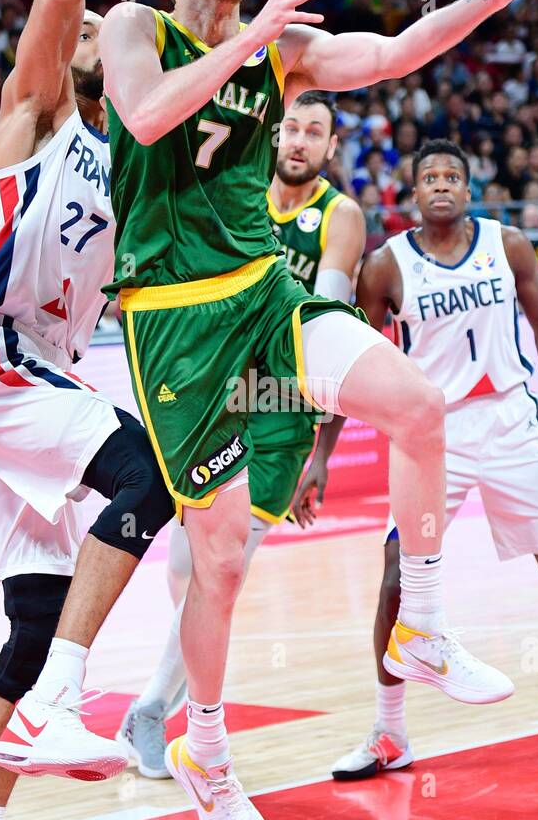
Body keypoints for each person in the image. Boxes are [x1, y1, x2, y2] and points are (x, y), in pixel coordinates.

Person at [21, 0, 538, 820]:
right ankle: (206, 750)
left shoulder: (285, 48)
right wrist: (255, 39)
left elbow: (393, 52)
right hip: (175, 323)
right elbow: (143, 118)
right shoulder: (141, 26)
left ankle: (421, 624)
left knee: (418, 406)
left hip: (266, 292)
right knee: (218, 560)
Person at [0, 0, 297, 820]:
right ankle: (70, 692)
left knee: (30, 629)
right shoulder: (36, 116)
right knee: (146, 478)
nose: (96, 23)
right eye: (90, 23)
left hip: (38, 386)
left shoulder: (142, 151)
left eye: (104, 24)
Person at [298, 141, 538, 779]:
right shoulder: (385, 266)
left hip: (511, 424)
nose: (441, 184)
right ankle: (389, 731)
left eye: (452, 176)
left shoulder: (509, 244)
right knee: (395, 580)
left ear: (469, 189)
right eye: (429, 177)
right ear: (412, 194)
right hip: (433, 433)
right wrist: (321, 455)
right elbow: (349, 361)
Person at [116, 90, 366, 774]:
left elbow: (329, 319)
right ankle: (185, 691)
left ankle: (149, 710)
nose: (299, 141)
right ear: (274, 132)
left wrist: (322, 455)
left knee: (223, 568)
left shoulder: (339, 217)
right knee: (186, 564)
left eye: (316, 132)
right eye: (292, 128)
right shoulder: (240, 188)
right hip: (216, 386)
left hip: (282, 406)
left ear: (331, 148)